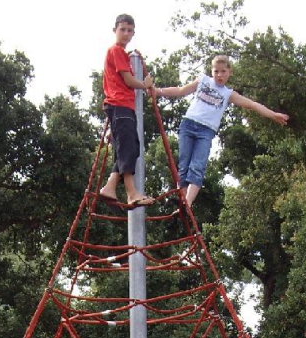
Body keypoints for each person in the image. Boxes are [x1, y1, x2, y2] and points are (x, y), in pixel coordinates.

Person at [154, 54, 289, 206]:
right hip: (189, 124)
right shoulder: (203, 80)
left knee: (197, 166)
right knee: (184, 165)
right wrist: (158, 91)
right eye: (216, 71)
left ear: (229, 72)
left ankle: (188, 202)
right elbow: (180, 91)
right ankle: (181, 199)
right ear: (211, 71)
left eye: (223, 71)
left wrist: (273, 115)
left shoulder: (228, 94)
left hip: (206, 130)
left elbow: (253, 104)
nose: (219, 75)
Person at [96, 14, 155, 208]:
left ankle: (110, 187)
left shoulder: (121, 53)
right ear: (115, 30)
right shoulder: (116, 50)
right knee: (128, 148)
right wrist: (144, 84)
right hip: (120, 104)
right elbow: (129, 81)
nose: (126, 33)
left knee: (126, 149)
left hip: (122, 106)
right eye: (122, 29)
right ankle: (132, 193)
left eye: (130, 30)